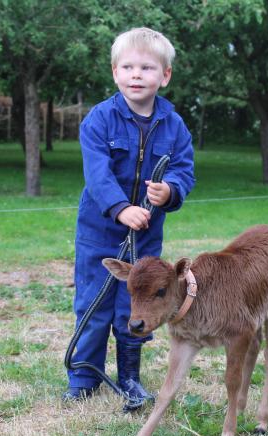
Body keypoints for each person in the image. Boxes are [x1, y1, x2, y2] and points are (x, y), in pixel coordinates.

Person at [63, 27, 195, 407]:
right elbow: (97, 173)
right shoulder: (99, 120)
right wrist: (121, 208)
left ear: (164, 76)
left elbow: (184, 170)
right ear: (115, 72)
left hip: (146, 240)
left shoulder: (174, 125)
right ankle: (84, 378)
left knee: (133, 307)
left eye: (147, 68)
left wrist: (170, 191)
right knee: (93, 303)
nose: (137, 75)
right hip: (99, 232)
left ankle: (131, 379)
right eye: (128, 67)